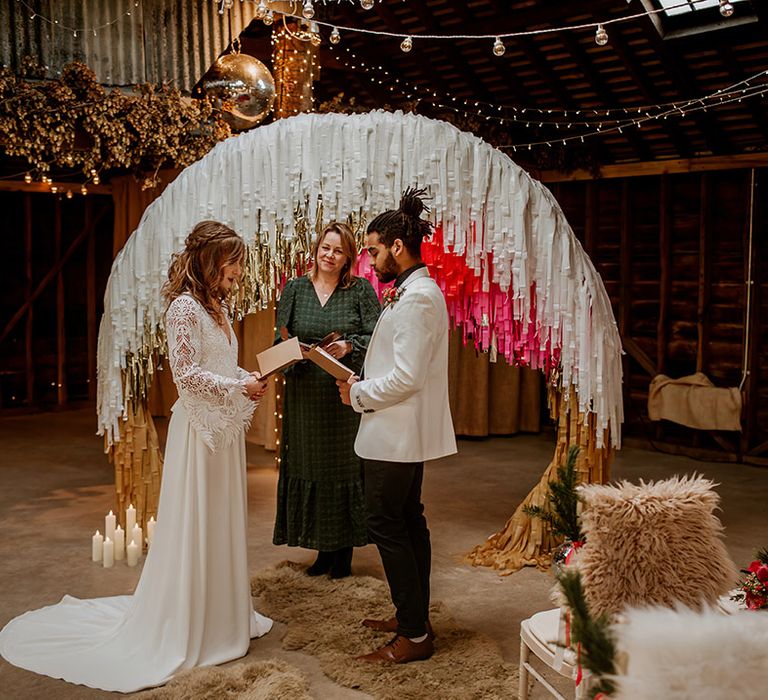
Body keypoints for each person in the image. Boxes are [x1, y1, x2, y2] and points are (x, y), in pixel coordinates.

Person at [0, 221, 273, 692]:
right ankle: (192, 625)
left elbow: (219, 365)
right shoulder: (183, 308)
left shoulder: (221, 306)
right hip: (198, 430)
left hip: (224, 430)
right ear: (212, 262)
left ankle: (223, 616)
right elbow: (186, 376)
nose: (239, 272)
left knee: (223, 520)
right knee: (197, 522)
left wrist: (245, 377)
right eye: (234, 263)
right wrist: (237, 386)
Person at [337, 188, 457, 664]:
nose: (369, 260)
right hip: (395, 432)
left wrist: (358, 394)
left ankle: (414, 634)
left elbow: (406, 378)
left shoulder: (418, 300)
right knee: (408, 522)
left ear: (397, 247)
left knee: (388, 524)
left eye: (372, 250)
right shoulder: (413, 292)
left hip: (394, 434)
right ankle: (414, 615)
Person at [273, 222, 380, 578]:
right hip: (304, 395)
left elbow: (379, 338)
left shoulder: (360, 290)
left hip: (343, 395)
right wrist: (295, 353)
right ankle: (322, 551)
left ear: (348, 256)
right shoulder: (294, 289)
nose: (329, 255)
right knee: (311, 467)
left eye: (338, 250)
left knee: (342, 468)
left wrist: (349, 345)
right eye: (325, 247)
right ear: (316, 249)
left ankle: (342, 555)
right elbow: (279, 341)